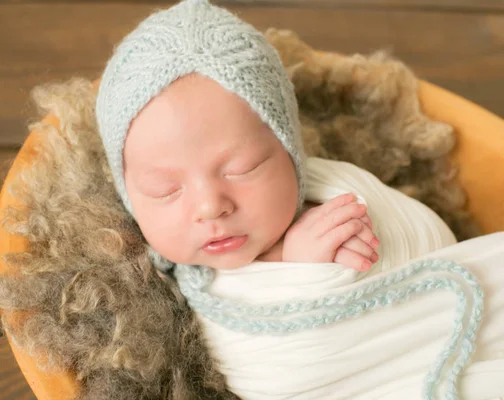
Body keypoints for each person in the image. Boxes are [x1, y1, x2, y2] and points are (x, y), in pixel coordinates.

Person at [96, 1, 504, 398]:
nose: (210, 206)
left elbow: (432, 244)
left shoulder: (344, 197)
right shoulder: (158, 301)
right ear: (130, 197)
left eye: (242, 168)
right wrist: (296, 271)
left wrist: (319, 267)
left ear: (291, 152)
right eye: (165, 190)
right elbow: (278, 373)